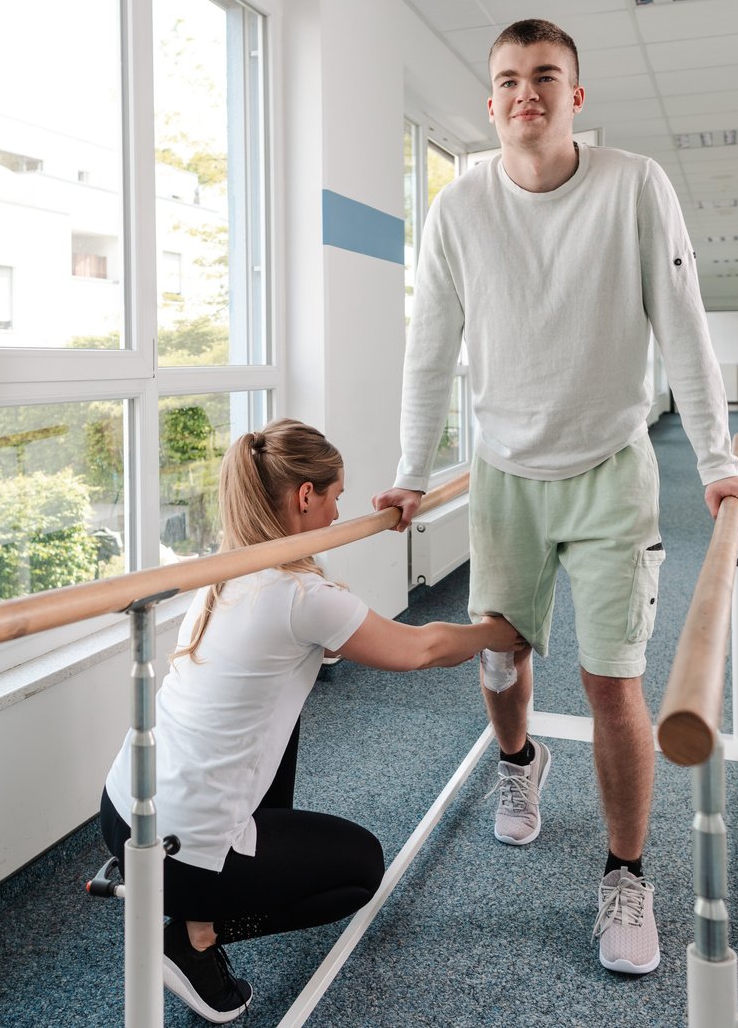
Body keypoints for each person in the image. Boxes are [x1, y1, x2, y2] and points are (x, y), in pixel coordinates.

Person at [372, 19, 738, 977]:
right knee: (501, 662)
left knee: (610, 683)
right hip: (505, 474)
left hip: (607, 471)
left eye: (544, 77)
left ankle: (626, 872)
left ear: (575, 97)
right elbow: (430, 351)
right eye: (506, 80)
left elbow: (681, 327)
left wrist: (715, 459)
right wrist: (413, 471)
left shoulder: (633, 185)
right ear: (490, 101)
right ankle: (517, 767)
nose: (524, 95)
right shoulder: (458, 209)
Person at [101, 418, 525, 1023]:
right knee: (359, 869)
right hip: (176, 849)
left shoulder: (228, 571)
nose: (336, 514)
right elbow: (421, 649)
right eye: (335, 498)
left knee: (286, 709)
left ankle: (202, 896)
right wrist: (502, 631)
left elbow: (312, 643)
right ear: (305, 496)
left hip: (122, 812)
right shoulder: (301, 597)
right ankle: (193, 938)